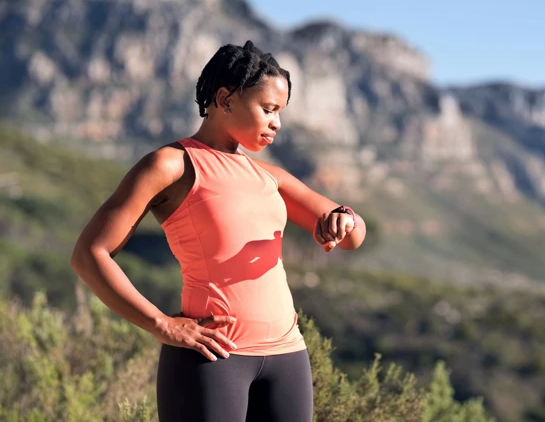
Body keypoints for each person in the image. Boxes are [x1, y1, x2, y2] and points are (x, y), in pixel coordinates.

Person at [70, 40, 366, 421]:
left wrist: (343, 217)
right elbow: (89, 254)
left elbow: (353, 237)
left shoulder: (268, 176)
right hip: (213, 359)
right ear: (225, 99)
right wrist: (161, 324)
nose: (276, 123)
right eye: (268, 109)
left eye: (280, 113)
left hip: (287, 356)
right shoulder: (172, 165)